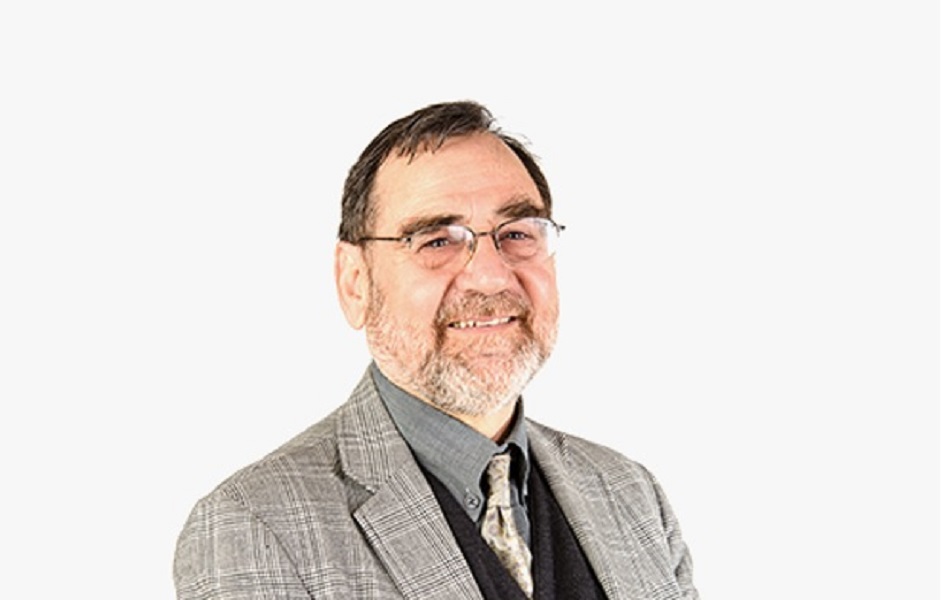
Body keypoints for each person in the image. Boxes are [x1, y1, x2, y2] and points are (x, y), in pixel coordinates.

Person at [173, 100, 699, 600]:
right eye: (437, 241)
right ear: (355, 283)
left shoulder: (630, 494)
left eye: (517, 233)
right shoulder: (256, 526)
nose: (491, 276)